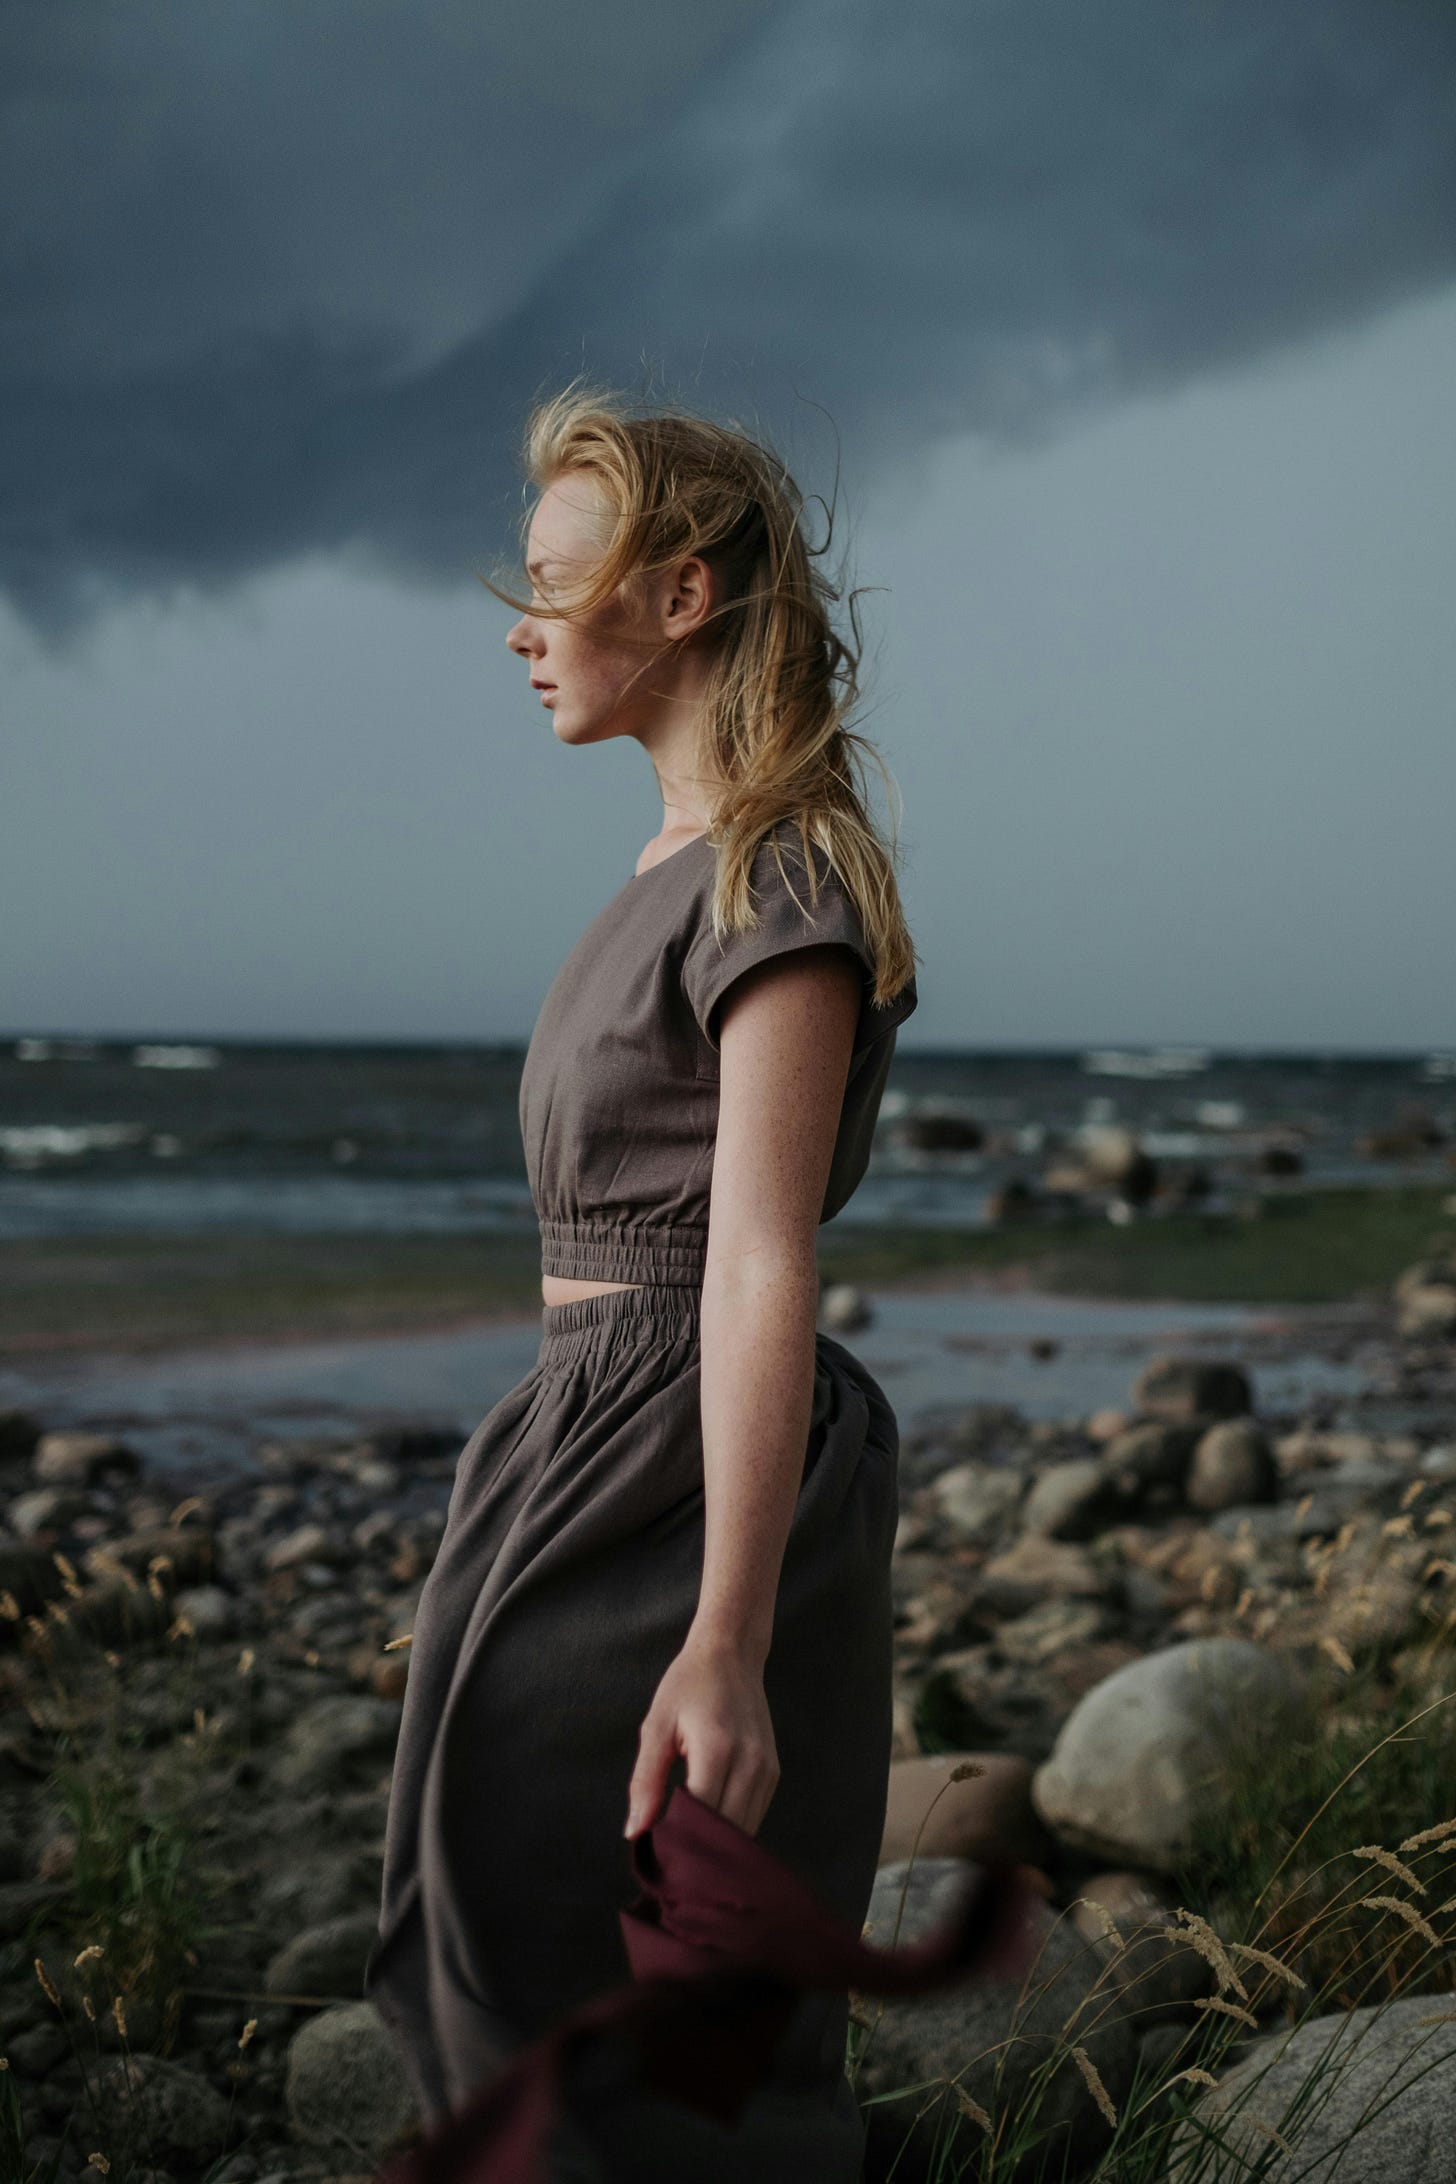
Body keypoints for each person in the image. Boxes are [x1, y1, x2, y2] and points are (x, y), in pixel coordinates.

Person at [363, 384, 919, 2182]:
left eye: (552, 579)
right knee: (489, 1937)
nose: (521, 631)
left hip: (690, 1466)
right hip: (575, 1449)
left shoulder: (783, 866)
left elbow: (762, 1255)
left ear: (680, 596)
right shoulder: (665, 875)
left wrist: (731, 1641)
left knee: (644, 2019)